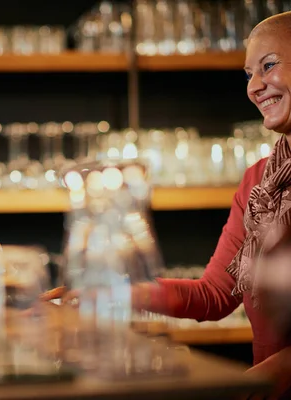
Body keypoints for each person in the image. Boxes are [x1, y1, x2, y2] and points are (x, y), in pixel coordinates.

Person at [129, 11, 291, 399]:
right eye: (248, 74)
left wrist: (251, 384)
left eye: (268, 66)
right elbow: (216, 293)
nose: (255, 86)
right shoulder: (259, 182)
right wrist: (118, 292)